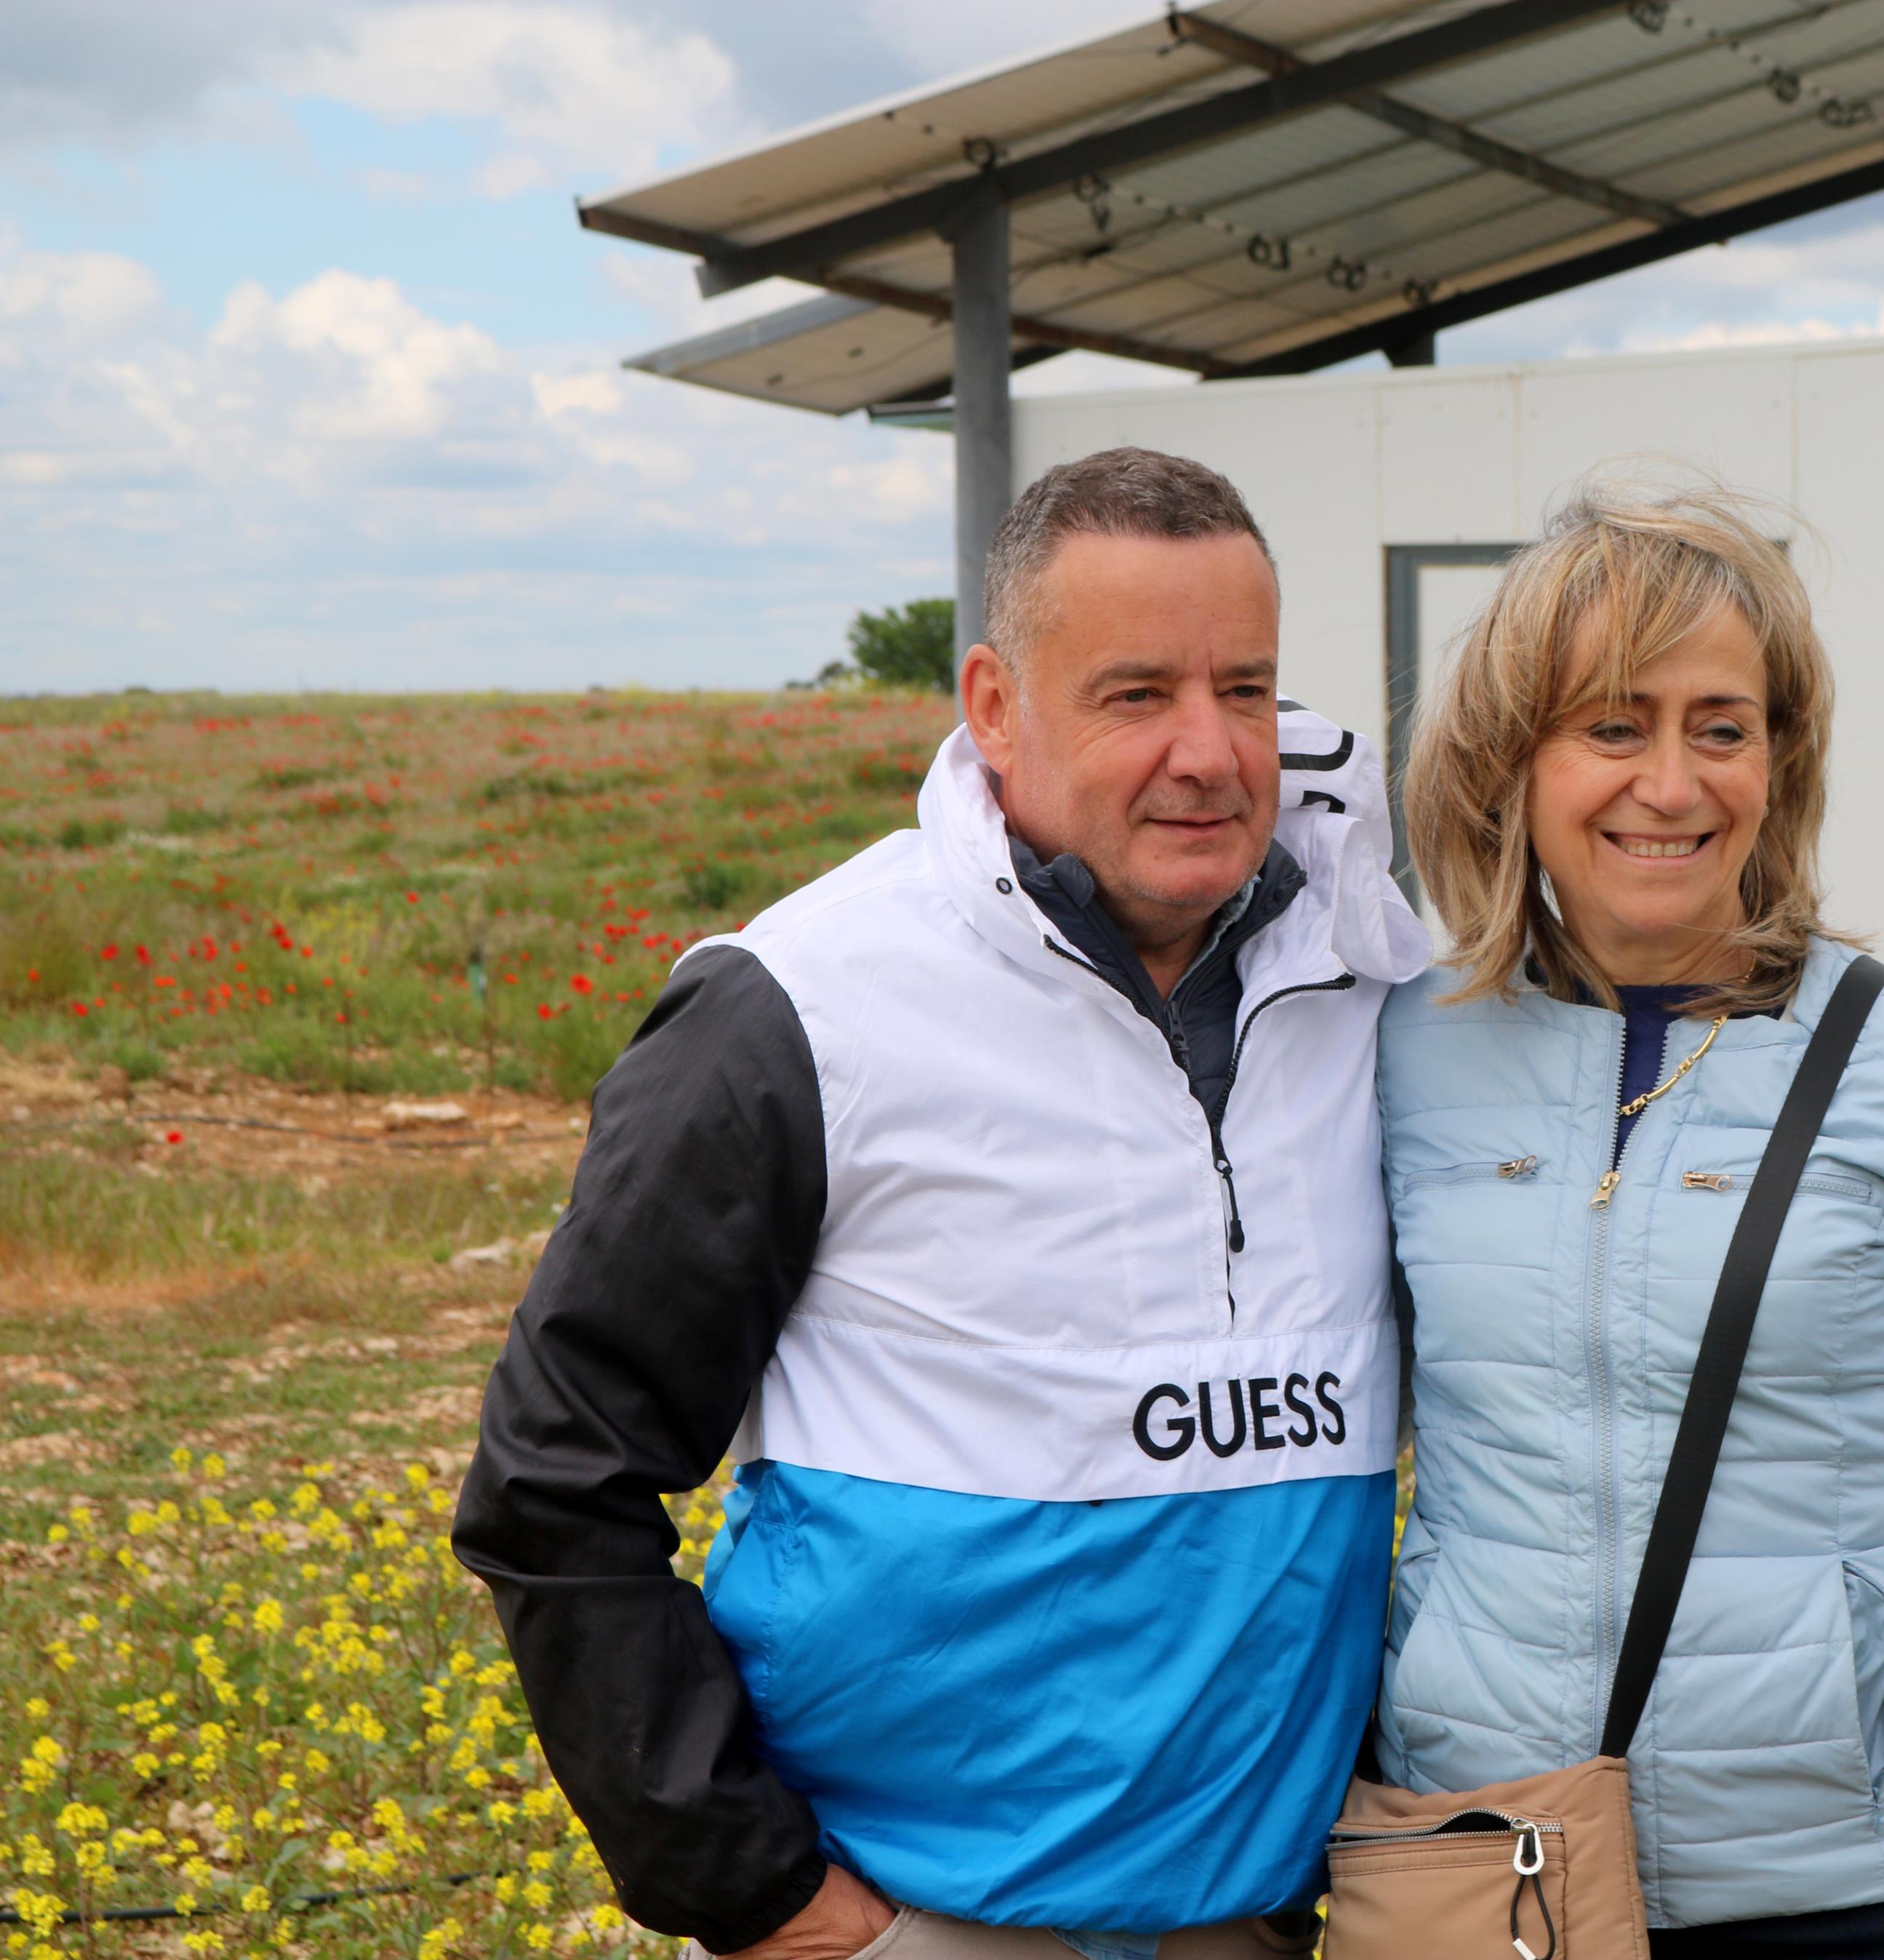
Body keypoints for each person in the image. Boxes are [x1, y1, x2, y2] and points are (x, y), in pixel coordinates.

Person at [453, 447, 1430, 1960]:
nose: (1211, 749)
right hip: (916, 1925)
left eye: (1245, 687)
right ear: (991, 704)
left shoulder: (1383, 989)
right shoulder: (796, 1006)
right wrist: (774, 1903)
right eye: (1134, 694)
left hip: (1268, 1922)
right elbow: (554, 1480)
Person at [1372, 481, 1884, 1959]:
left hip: (1856, 1889)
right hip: (1494, 1871)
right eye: (1614, 724)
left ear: (1781, 761)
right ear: (1516, 758)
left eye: (1720, 726)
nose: (1669, 784)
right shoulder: (1405, 1057)